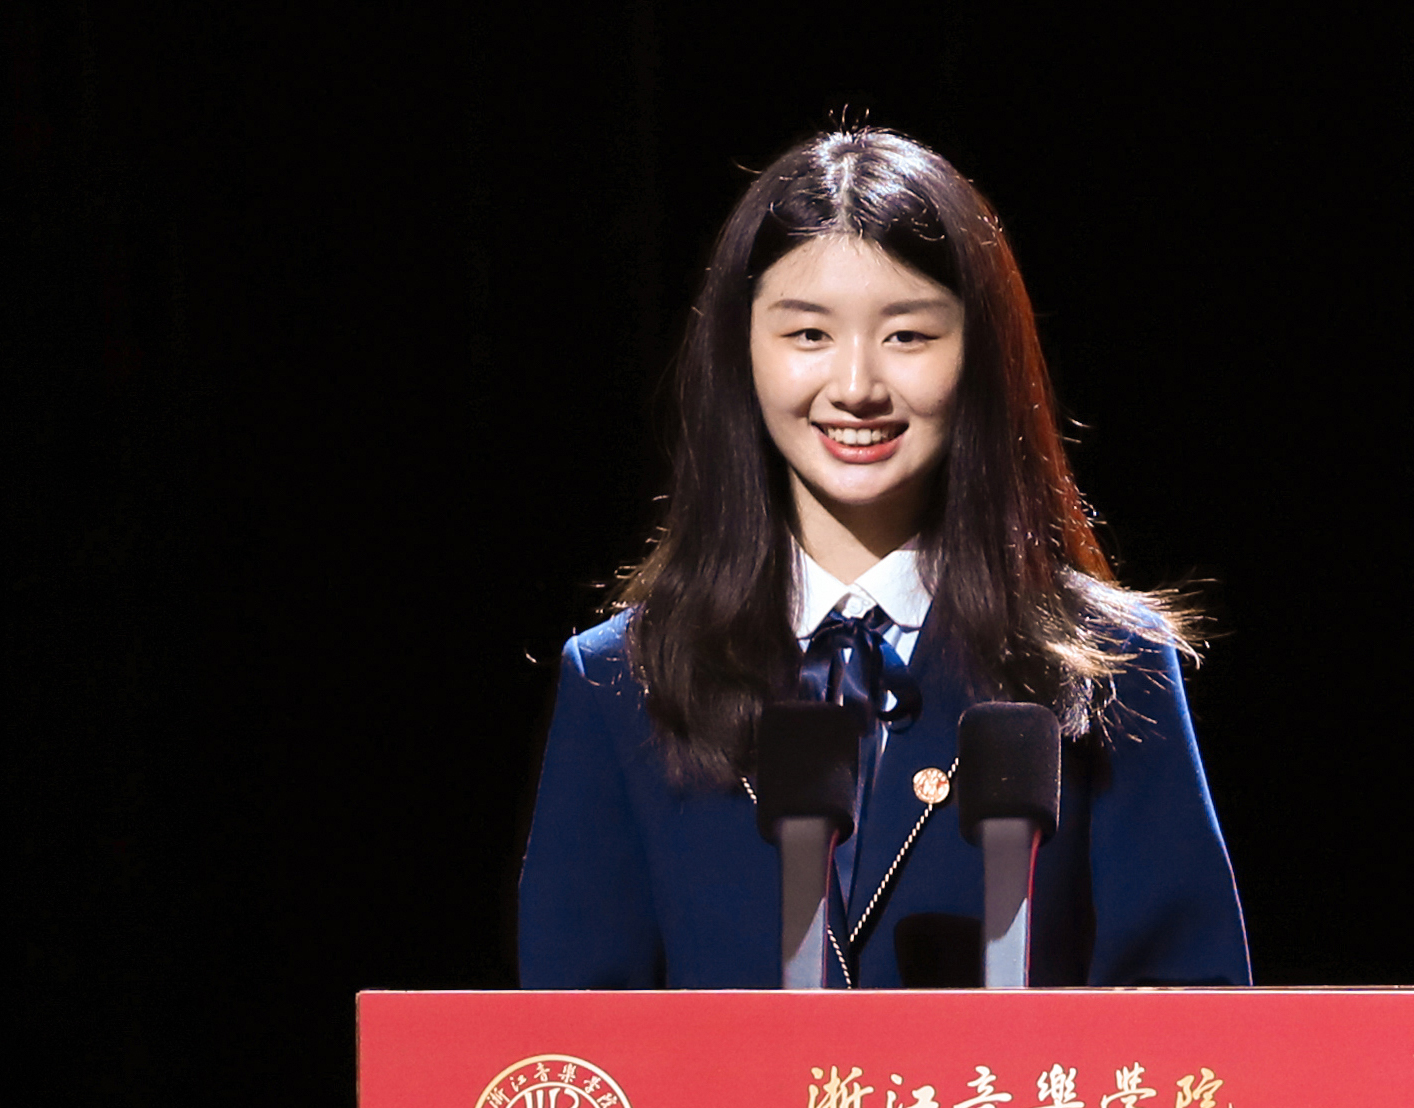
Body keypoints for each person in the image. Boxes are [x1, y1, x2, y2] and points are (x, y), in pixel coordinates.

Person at [518, 128, 1249, 990]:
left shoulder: (1110, 668)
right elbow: (571, 1042)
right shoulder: (623, 683)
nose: (857, 386)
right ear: (741, 351)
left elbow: (1190, 1028)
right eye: (808, 334)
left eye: (907, 336)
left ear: (980, 354)